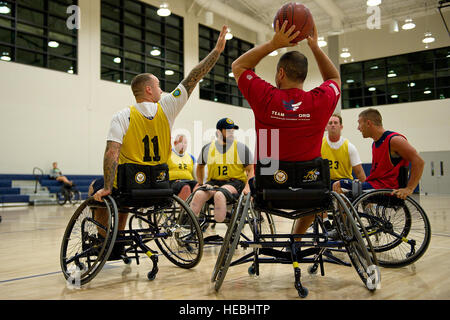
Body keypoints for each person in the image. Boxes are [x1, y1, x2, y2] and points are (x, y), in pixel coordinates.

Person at [89, 25, 228, 259]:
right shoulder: (167, 108)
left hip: (133, 186)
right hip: (161, 187)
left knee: (98, 190)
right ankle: (118, 239)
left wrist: (107, 187)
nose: (163, 90)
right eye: (159, 86)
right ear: (148, 89)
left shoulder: (122, 115)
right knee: (120, 191)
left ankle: (105, 242)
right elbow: (193, 77)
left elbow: (111, 153)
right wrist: (216, 51)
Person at [231, 19, 341, 238]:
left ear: (281, 73)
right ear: (304, 76)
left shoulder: (265, 97)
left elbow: (238, 66)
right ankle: (296, 239)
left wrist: (273, 44)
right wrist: (316, 48)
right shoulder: (319, 101)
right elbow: (334, 78)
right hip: (310, 191)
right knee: (316, 194)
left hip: (268, 189)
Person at [333, 108, 425, 200]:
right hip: (376, 185)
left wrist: (409, 188)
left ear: (368, 123)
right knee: (342, 187)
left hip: (386, 189)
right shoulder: (375, 143)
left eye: (359, 123)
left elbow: (419, 161)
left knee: (339, 185)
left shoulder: (394, 140)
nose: (358, 128)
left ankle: (343, 214)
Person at [189, 118, 254, 224]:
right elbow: (200, 166)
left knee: (220, 194)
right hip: (214, 182)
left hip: (235, 182)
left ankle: (224, 221)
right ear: (219, 132)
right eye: (228, 130)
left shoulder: (240, 148)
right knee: (199, 194)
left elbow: (251, 169)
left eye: (233, 130)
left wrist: (247, 187)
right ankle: (189, 227)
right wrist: (200, 183)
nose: (232, 133)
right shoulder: (208, 148)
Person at [167, 134, 198, 200]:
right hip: (173, 182)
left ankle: (195, 208)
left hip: (188, 181)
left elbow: (196, 175)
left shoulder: (191, 157)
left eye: (185, 143)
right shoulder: (168, 155)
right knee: (185, 187)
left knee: (198, 187)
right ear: (175, 143)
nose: (183, 145)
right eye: (181, 142)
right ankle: (185, 210)